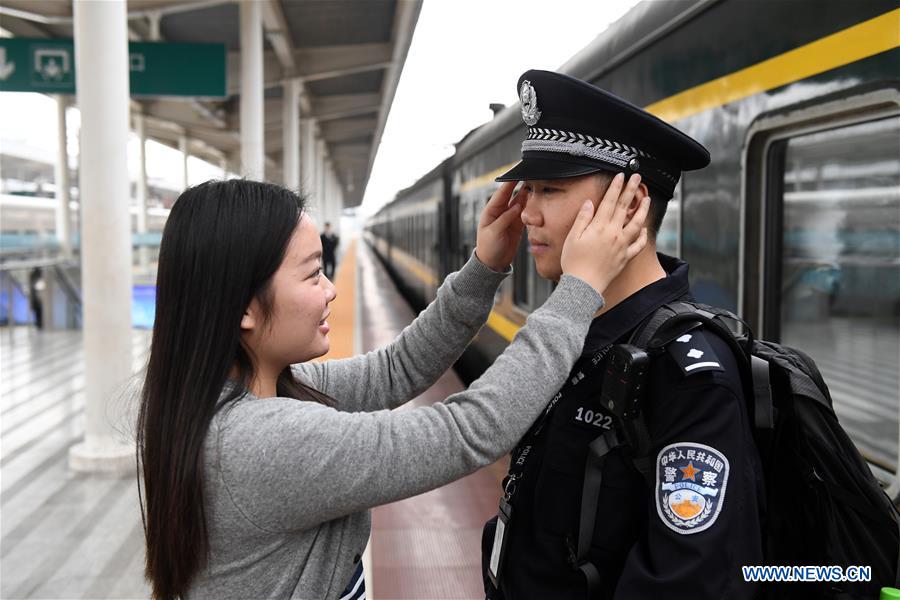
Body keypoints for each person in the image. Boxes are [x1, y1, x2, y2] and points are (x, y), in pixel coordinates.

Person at [137, 176, 649, 600]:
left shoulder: (254, 392)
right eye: (314, 274)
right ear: (244, 310)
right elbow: (470, 430)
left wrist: (486, 267)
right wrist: (580, 290)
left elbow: (396, 369)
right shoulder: (261, 441)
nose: (332, 288)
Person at [480, 70, 765, 599]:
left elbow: (686, 585)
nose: (528, 213)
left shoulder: (688, 374)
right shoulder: (574, 334)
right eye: (529, 190)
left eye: (550, 189)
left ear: (631, 207)